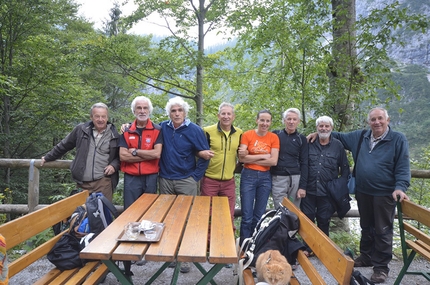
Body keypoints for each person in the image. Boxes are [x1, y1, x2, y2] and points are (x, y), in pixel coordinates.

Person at [311, 107, 410, 284]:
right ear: (368, 122)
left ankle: (381, 267)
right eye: (373, 119)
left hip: (384, 193)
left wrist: (400, 187)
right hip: (363, 191)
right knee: (366, 226)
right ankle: (366, 256)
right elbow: (337, 135)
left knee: (383, 229)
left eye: (380, 119)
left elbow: (403, 166)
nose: (377, 122)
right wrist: (318, 132)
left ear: (388, 120)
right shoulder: (361, 136)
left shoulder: (397, 139)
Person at [158, 96, 210, 274]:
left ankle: (186, 258)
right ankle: (171, 254)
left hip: (186, 179)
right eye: (173, 110)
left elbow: (205, 155)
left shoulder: (195, 130)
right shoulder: (163, 127)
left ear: (185, 112)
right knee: (169, 218)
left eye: (180, 110)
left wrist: (195, 177)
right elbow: (144, 130)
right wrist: (126, 126)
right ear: (169, 113)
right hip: (165, 179)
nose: (177, 113)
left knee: (188, 219)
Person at [41, 103, 120, 201]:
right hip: (82, 183)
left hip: (104, 182)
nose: (100, 119)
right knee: (80, 213)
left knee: (102, 214)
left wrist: (113, 165)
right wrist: (48, 157)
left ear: (107, 117)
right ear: (91, 117)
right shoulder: (81, 130)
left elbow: (120, 156)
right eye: (97, 116)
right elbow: (64, 145)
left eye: (103, 116)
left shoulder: (114, 135)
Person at [300, 115, 349, 238]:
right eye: (321, 126)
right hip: (308, 191)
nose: (324, 128)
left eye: (327, 126)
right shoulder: (308, 143)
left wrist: (338, 187)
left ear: (331, 127)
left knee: (323, 220)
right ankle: (307, 248)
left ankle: (323, 251)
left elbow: (345, 169)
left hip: (327, 192)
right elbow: (302, 164)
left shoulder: (338, 146)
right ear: (317, 128)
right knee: (307, 220)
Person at [238, 110, 279, 243]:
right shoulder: (247, 135)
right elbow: (241, 158)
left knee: (259, 215)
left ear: (270, 122)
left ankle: (254, 246)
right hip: (248, 176)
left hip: (265, 177)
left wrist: (250, 158)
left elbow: (273, 161)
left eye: (267, 121)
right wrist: (263, 156)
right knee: (247, 216)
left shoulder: (273, 138)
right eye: (262, 120)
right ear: (257, 120)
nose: (264, 123)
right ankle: (244, 247)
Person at [200, 102, 243, 231]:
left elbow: (242, 154)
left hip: (229, 181)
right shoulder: (207, 131)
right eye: (223, 113)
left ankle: (226, 242)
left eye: (229, 114)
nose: (226, 116)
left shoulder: (239, 133)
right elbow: (198, 151)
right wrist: (201, 153)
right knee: (207, 213)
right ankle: (206, 243)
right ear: (218, 116)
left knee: (228, 214)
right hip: (209, 180)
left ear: (233, 116)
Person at [119, 96, 162, 209]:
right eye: (139, 108)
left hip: (151, 176)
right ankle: (130, 228)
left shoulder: (157, 130)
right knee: (130, 209)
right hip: (131, 177)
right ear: (134, 111)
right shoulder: (127, 130)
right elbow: (123, 156)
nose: (142, 111)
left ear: (149, 111)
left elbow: (157, 154)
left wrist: (135, 152)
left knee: (149, 209)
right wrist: (148, 155)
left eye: (145, 108)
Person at [271, 108, 309, 209]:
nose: (291, 122)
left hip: (295, 179)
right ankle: (280, 225)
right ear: (284, 120)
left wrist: (302, 187)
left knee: (293, 210)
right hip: (278, 178)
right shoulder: (275, 135)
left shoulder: (301, 139)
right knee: (279, 210)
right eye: (289, 119)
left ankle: (292, 226)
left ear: (298, 122)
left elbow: (305, 163)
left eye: (294, 119)